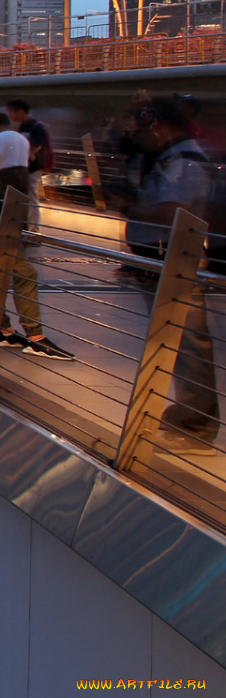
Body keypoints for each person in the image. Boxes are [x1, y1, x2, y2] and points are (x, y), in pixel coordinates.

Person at [120, 98, 219, 451]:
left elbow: (171, 211)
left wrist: (131, 209)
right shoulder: (166, 159)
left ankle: (197, 424)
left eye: (140, 129)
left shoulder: (185, 162)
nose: (135, 136)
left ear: (160, 127)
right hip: (162, 261)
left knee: (188, 343)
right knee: (173, 343)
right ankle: (185, 416)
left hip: (177, 262)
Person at [0, 111, 70, 359]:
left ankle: (2, 328)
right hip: (11, 215)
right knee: (20, 273)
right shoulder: (21, 148)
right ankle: (29, 335)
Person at [6, 99, 53, 174]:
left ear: (21, 112)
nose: (9, 114)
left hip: (35, 168)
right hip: (26, 167)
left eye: (10, 111)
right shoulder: (22, 126)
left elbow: (36, 147)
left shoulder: (37, 127)